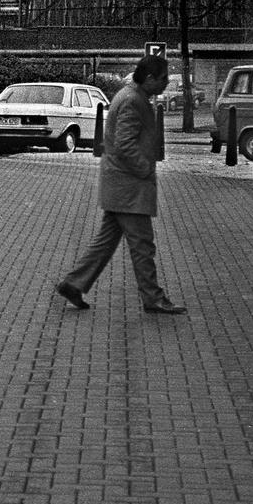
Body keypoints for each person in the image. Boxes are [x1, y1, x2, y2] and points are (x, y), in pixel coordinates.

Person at [54, 54, 188, 316]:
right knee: (142, 245)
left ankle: (74, 284)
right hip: (129, 186)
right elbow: (125, 144)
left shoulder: (131, 96)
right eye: (163, 79)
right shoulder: (132, 101)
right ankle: (153, 298)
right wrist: (145, 169)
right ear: (149, 78)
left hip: (120, 184)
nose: (165, 85)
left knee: (105, 242)